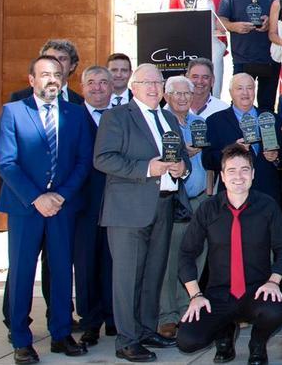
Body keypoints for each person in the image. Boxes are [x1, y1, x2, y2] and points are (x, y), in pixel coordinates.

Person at [94, 64, 192, 362]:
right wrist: (147, 168)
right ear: (133, 87)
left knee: (153, 274)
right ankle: (126, 340)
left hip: (163, 205)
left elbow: (183, 158)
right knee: (127, 278)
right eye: (146, 82)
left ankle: (147, 330)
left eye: (158, 82)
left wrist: (182, 169)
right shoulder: (117, 117)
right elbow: (103, 159)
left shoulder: (168, 119)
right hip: (127, 212)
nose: (153, 87)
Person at [0, 55, 93, 363]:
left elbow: (83, 162)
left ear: (63, 79)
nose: (51, 79)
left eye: (56, 74)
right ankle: (22, 339)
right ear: (32, 80)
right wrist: (37, 197)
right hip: (26, 209)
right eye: (44, 74)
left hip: (62, 208)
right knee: (23, 273)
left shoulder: (76, 115)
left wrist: (60, 196)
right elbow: (7, 162)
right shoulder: (13, 112)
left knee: (63, 272)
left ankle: (61, 334)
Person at [176, 144, 282, 365]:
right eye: (231, 170)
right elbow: (187, 253)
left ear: (253, 174)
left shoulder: (267, 206)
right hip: (218, 293)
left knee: (274, 311)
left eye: (245, 169)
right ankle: (225, 333)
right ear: (222, 175)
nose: (238, 176)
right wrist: (195, 296)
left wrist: (274, 281)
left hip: (257, 290)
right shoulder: (208, 209)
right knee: (187, 340)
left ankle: (257, 344)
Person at [157, 77, 213, 340]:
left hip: (201, 199)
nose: (182, 98)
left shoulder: (199, 124)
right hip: (175, 201)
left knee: (197, 255)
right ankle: (167, 315)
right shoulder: (161, 124)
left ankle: (186, 307)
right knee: (170, 259)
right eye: (176, 94)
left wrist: (210, 191)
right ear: (166, 96)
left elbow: (209, 162)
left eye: (187, 94)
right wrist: (182, 155)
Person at [76, 65, 115, 345]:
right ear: (82, 87)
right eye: (92, 83)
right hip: (83, 205)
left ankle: (115, 319)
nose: (98, 88)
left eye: (104, 83)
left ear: (112, 87)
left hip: (117, 204)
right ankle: (90, 322)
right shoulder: (72, 118)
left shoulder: (122, 118)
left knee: (114, 263)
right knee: (87, 264)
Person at [218, 0, 282, 111]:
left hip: (270, 57)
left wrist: (271, 22)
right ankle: (239, 137)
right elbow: (221, 20)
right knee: (240, 104)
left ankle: (266, 137)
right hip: (242, 58)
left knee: (267, 105)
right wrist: (235, 26)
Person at [204, 74, 282, 207]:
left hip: (269, 196)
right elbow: (208, 160)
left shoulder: (272, 118)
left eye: (250, 88)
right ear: (230, 92)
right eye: (239, 88)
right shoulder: (215, 121)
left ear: (255, 91)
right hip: (233, 198)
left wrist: (276, 158)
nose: (245, 93)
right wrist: (231, 150)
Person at [164, 0, 228, 96]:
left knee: (214, 87)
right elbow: (171, 21)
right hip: (187, 48)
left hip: (212, 47)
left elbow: (223, 20)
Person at [10, 39, 82, 104]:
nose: (56, 63)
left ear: (72, 66)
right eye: (50, 58)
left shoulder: (81, 102)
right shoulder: (19, 98)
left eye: (62, 59)